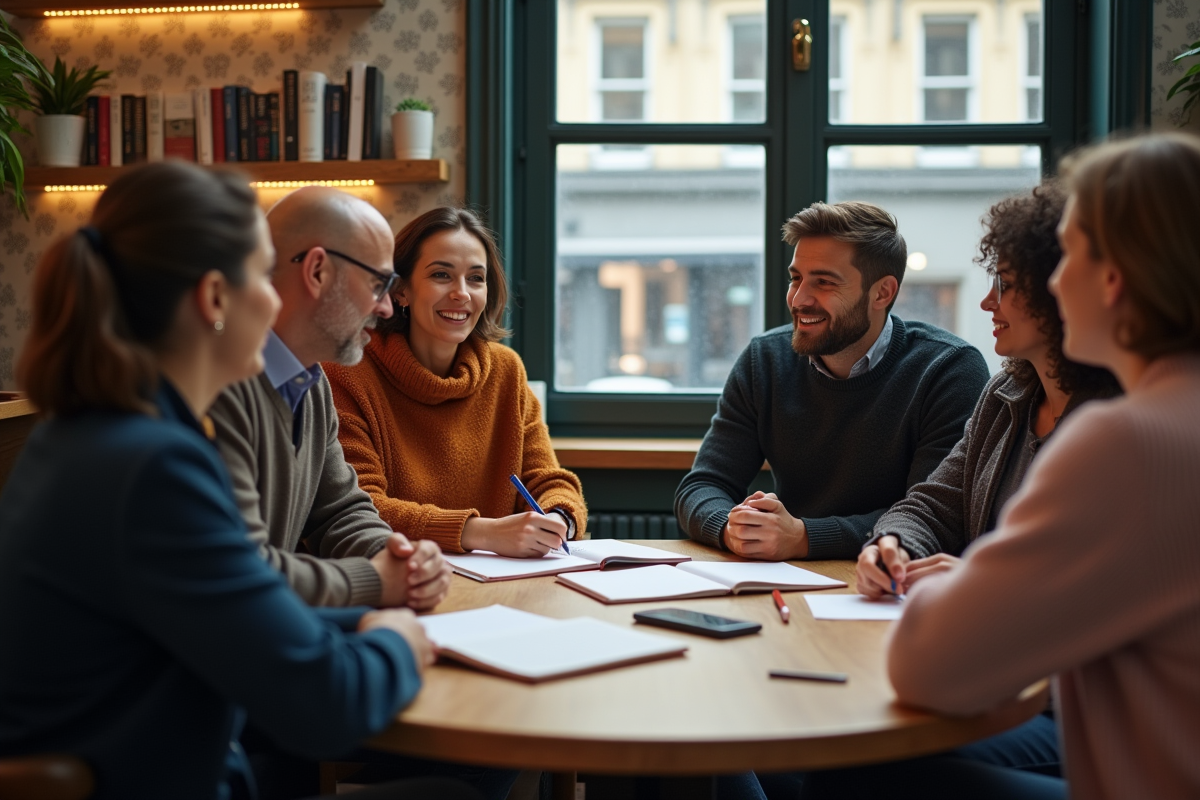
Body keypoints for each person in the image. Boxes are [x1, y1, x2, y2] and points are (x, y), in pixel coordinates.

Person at [0, 163, 473, 800]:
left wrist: (356, 625)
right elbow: (323, 705)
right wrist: (392, 638)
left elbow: (234, 604)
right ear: (216, 300)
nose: (275, 298)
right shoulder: (155, 466)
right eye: (260, 273)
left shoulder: (97, 431)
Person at [883, 133, 1200, 800]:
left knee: (851, 768)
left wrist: (961, 581)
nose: (1056, 279)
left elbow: (924, 664)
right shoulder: (1033, 400)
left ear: (1113, 278)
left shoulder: (1125, 442)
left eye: (1072, 253)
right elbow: (932, 504)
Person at [675, 201, 989, 561]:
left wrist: (806, 537)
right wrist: (732, 528)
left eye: (824, 282)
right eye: (796, 278)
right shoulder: (765, 360)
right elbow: (702, 486)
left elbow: (934, 518)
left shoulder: (948, 370)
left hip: (890, 582)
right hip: (788, 580)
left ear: (882, 293)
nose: (799, 299)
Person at [209, 186, 451, 610]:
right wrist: (376, 580)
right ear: (317, 271)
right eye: (378, 283)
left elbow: (339, 511)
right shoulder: (216, 388)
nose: (387, 308)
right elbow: (239, 572)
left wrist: (397, 559)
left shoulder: (312, 382)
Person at [324, 207, 586, 557]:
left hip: (499, 583)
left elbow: (549, 480)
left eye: (476, 278)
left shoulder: (506, 370)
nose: (462, 293)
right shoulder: (347, 370)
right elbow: (357, 508)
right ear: (401, 290)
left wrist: (557, 519)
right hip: (394, 578)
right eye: (441, 275)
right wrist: (480, 532)